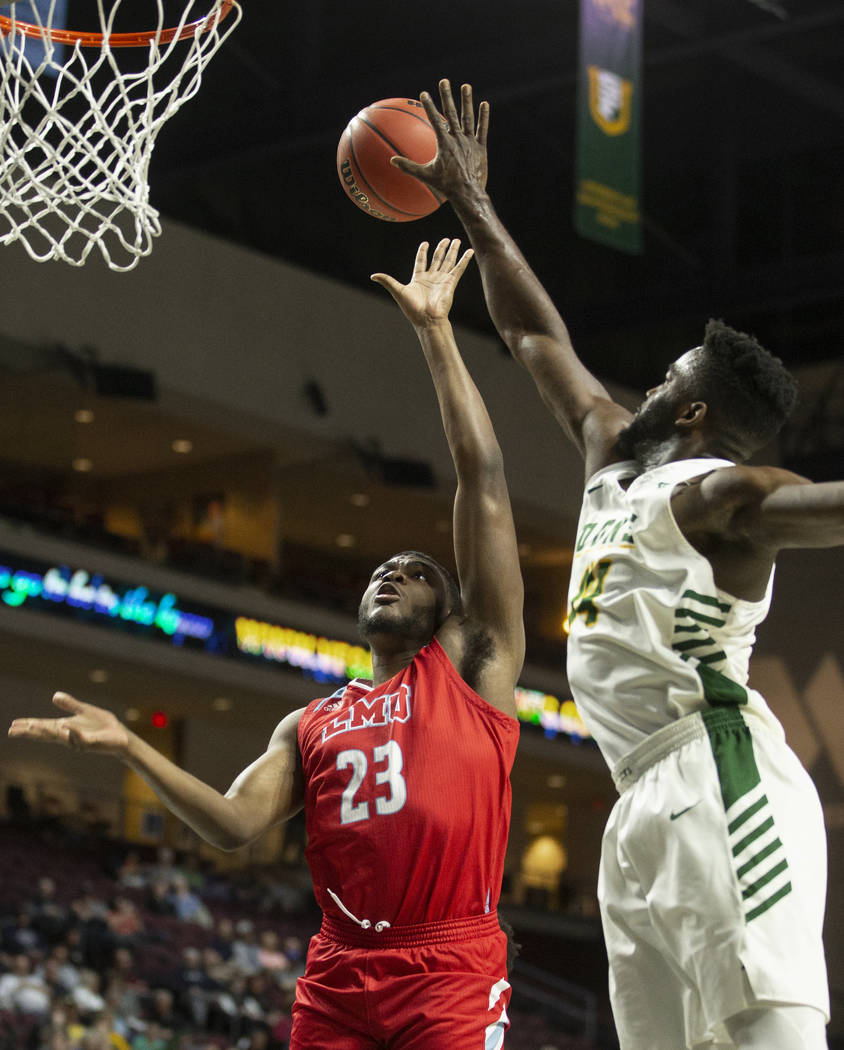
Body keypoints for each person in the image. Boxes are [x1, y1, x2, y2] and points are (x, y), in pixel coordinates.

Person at [393, 79, 844, 1050]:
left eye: (670, 375)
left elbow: (821, 509)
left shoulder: (723, 498)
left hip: (717, 770)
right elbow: (529, 335)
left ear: (693, 413)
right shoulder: (611, 455)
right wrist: (471, 203)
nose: (649, 379)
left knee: (770, 1036)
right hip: (633, 797)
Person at [9, 237, 525, 1050]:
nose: (391, 576)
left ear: (451, 611)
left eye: (416, 572)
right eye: (381, 570)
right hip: (340, 971)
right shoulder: (310, 723)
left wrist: (435, 333)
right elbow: (231, 825)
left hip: (449, 965)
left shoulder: (471, 667)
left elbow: (484, 480)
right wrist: (130, 749)